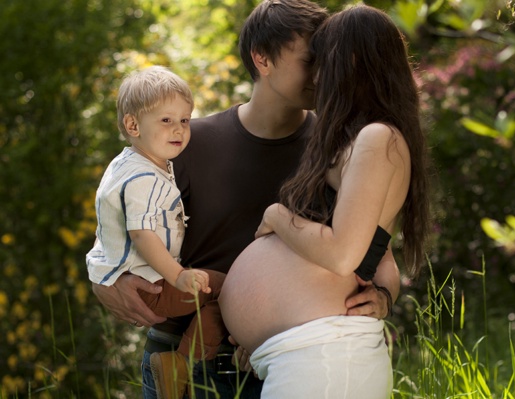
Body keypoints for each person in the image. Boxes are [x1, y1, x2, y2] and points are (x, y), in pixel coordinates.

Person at [91, 1, 395, 398]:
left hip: (288, 360)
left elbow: (380, 251)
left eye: (328, 60)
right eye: (310, 59)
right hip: (186, 365)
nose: (322, 73)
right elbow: (117, 220)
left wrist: (384, 296)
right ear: (262, 58)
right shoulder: (184, 141)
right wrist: (104, 282)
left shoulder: (341, 150)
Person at [219, 4, 431, 399]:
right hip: (311, 355)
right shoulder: (355, 140)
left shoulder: (377, 138)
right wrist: (384, 295)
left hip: (327, 357)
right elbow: (376, 251)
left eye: (321, 60)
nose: (315, 75)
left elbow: (342, 256)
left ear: (349, 60)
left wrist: (277, 216)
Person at [86, 66, 227, 398]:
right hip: (152, 285)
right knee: (228, 291)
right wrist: (178, 276)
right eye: (166, 120)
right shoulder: (144, 179)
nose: (179, 129)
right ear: (133, 125)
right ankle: (182, 365)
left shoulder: (129, 164)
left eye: (185, 120)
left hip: (139, 278)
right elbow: (141, 234)